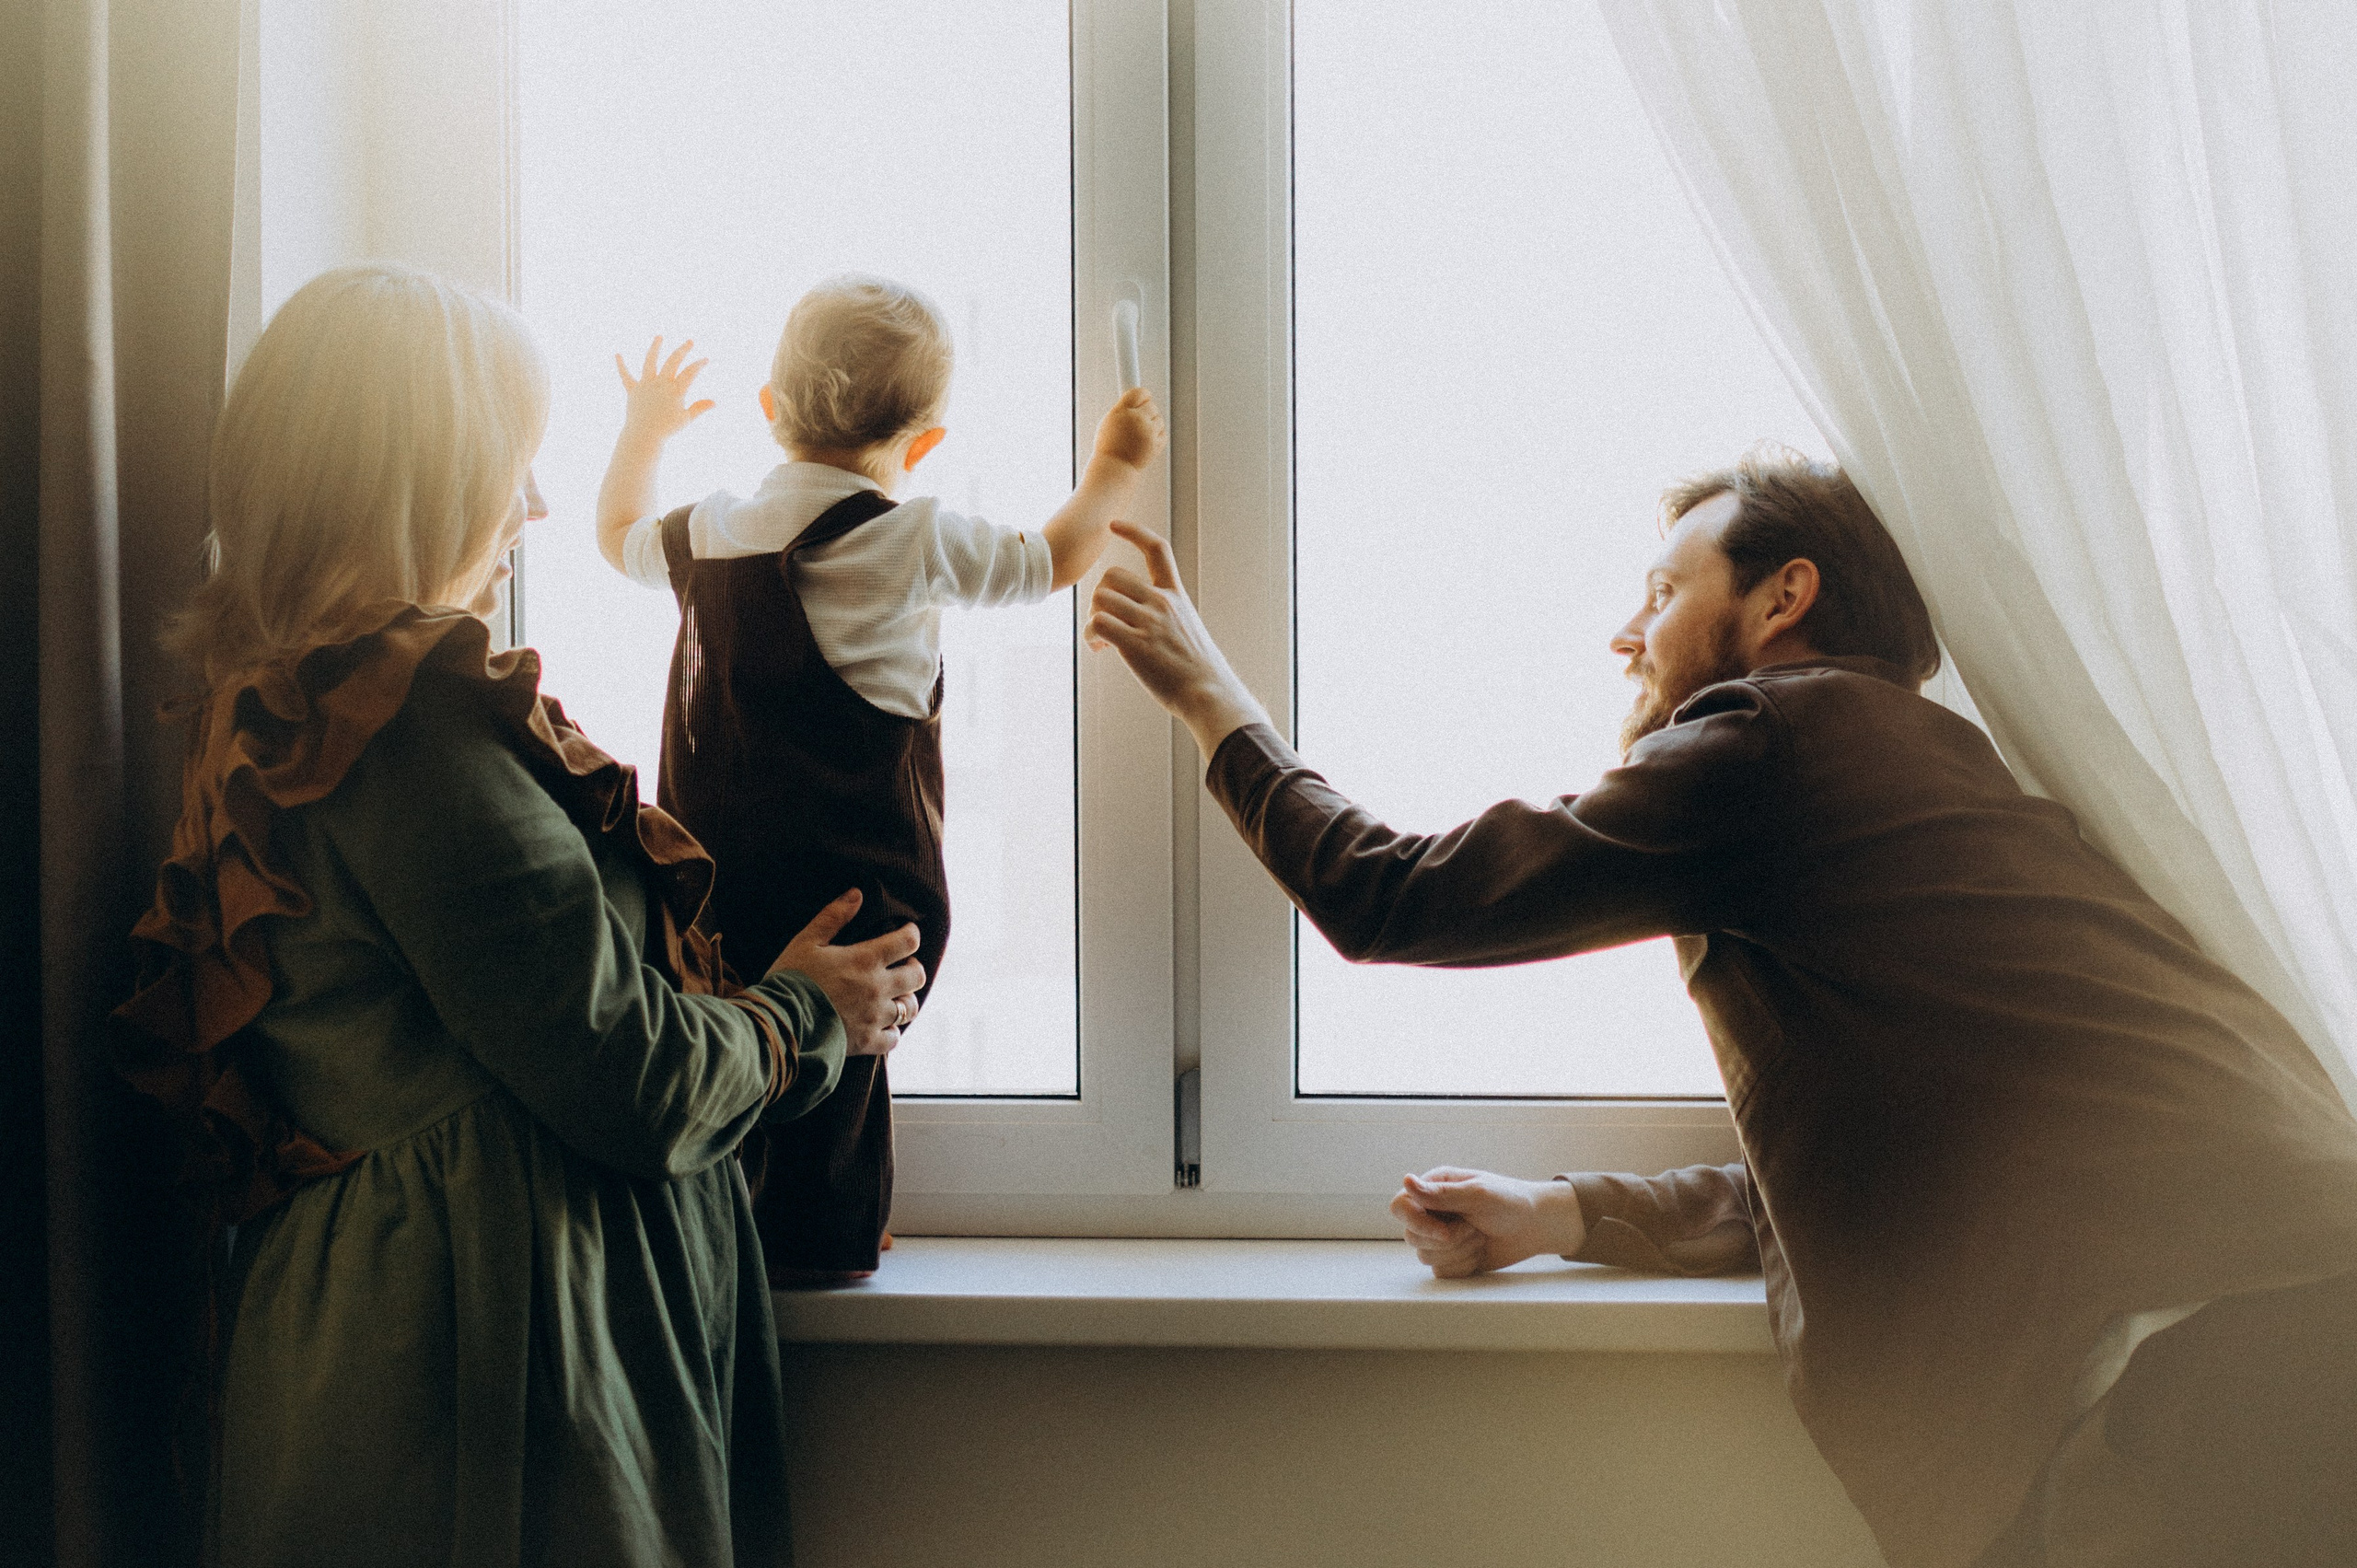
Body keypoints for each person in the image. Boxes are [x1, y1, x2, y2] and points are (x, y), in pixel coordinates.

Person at [1083, 452, 2357, 1568]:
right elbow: (1884, 1160)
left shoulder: (1772, 735)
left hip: (2200, 1361)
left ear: (1782, 596)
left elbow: (1396, 896)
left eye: (1660, 593)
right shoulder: (1927, 774)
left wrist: (1210, 696)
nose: (1625, 635)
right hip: (2284, 1298)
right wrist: (1568, 1212)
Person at [112, 262, 924, 1567]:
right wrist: (804, 1015)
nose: (538, 500)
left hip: (411, 1336)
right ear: (415, 473)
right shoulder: (407, 729)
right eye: (513, 460)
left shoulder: (297, 703)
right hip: (484, 1365)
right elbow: (628, 1070)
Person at [593, 273, 1166, 1275]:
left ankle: (731, 1226)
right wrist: (1116, 463)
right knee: (853, 1042)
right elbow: (1055, 556)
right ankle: (831, 1229)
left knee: (746, 1041)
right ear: (924, 442)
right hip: (858, 868)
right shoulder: (913, 536)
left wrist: (644, 430)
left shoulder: (703, 529)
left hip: (708, 881)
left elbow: (614, 535)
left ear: (769, 411)